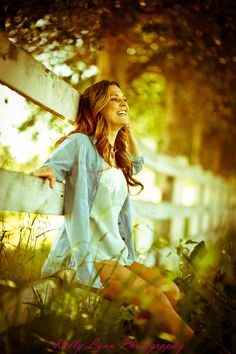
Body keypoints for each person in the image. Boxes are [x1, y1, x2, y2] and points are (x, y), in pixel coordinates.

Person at [31, 79, 194, 343]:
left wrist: (126, 126)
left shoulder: (117, 158)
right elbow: (55, 164)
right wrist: (50, 170)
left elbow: (138, 163)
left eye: (124, 98)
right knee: (156, 298)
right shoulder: (82, 144)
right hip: (88, 257)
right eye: (114, 98)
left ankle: (137, 340)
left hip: (117, 256)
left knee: (171, 291)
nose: (123, 102)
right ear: (97, 107)